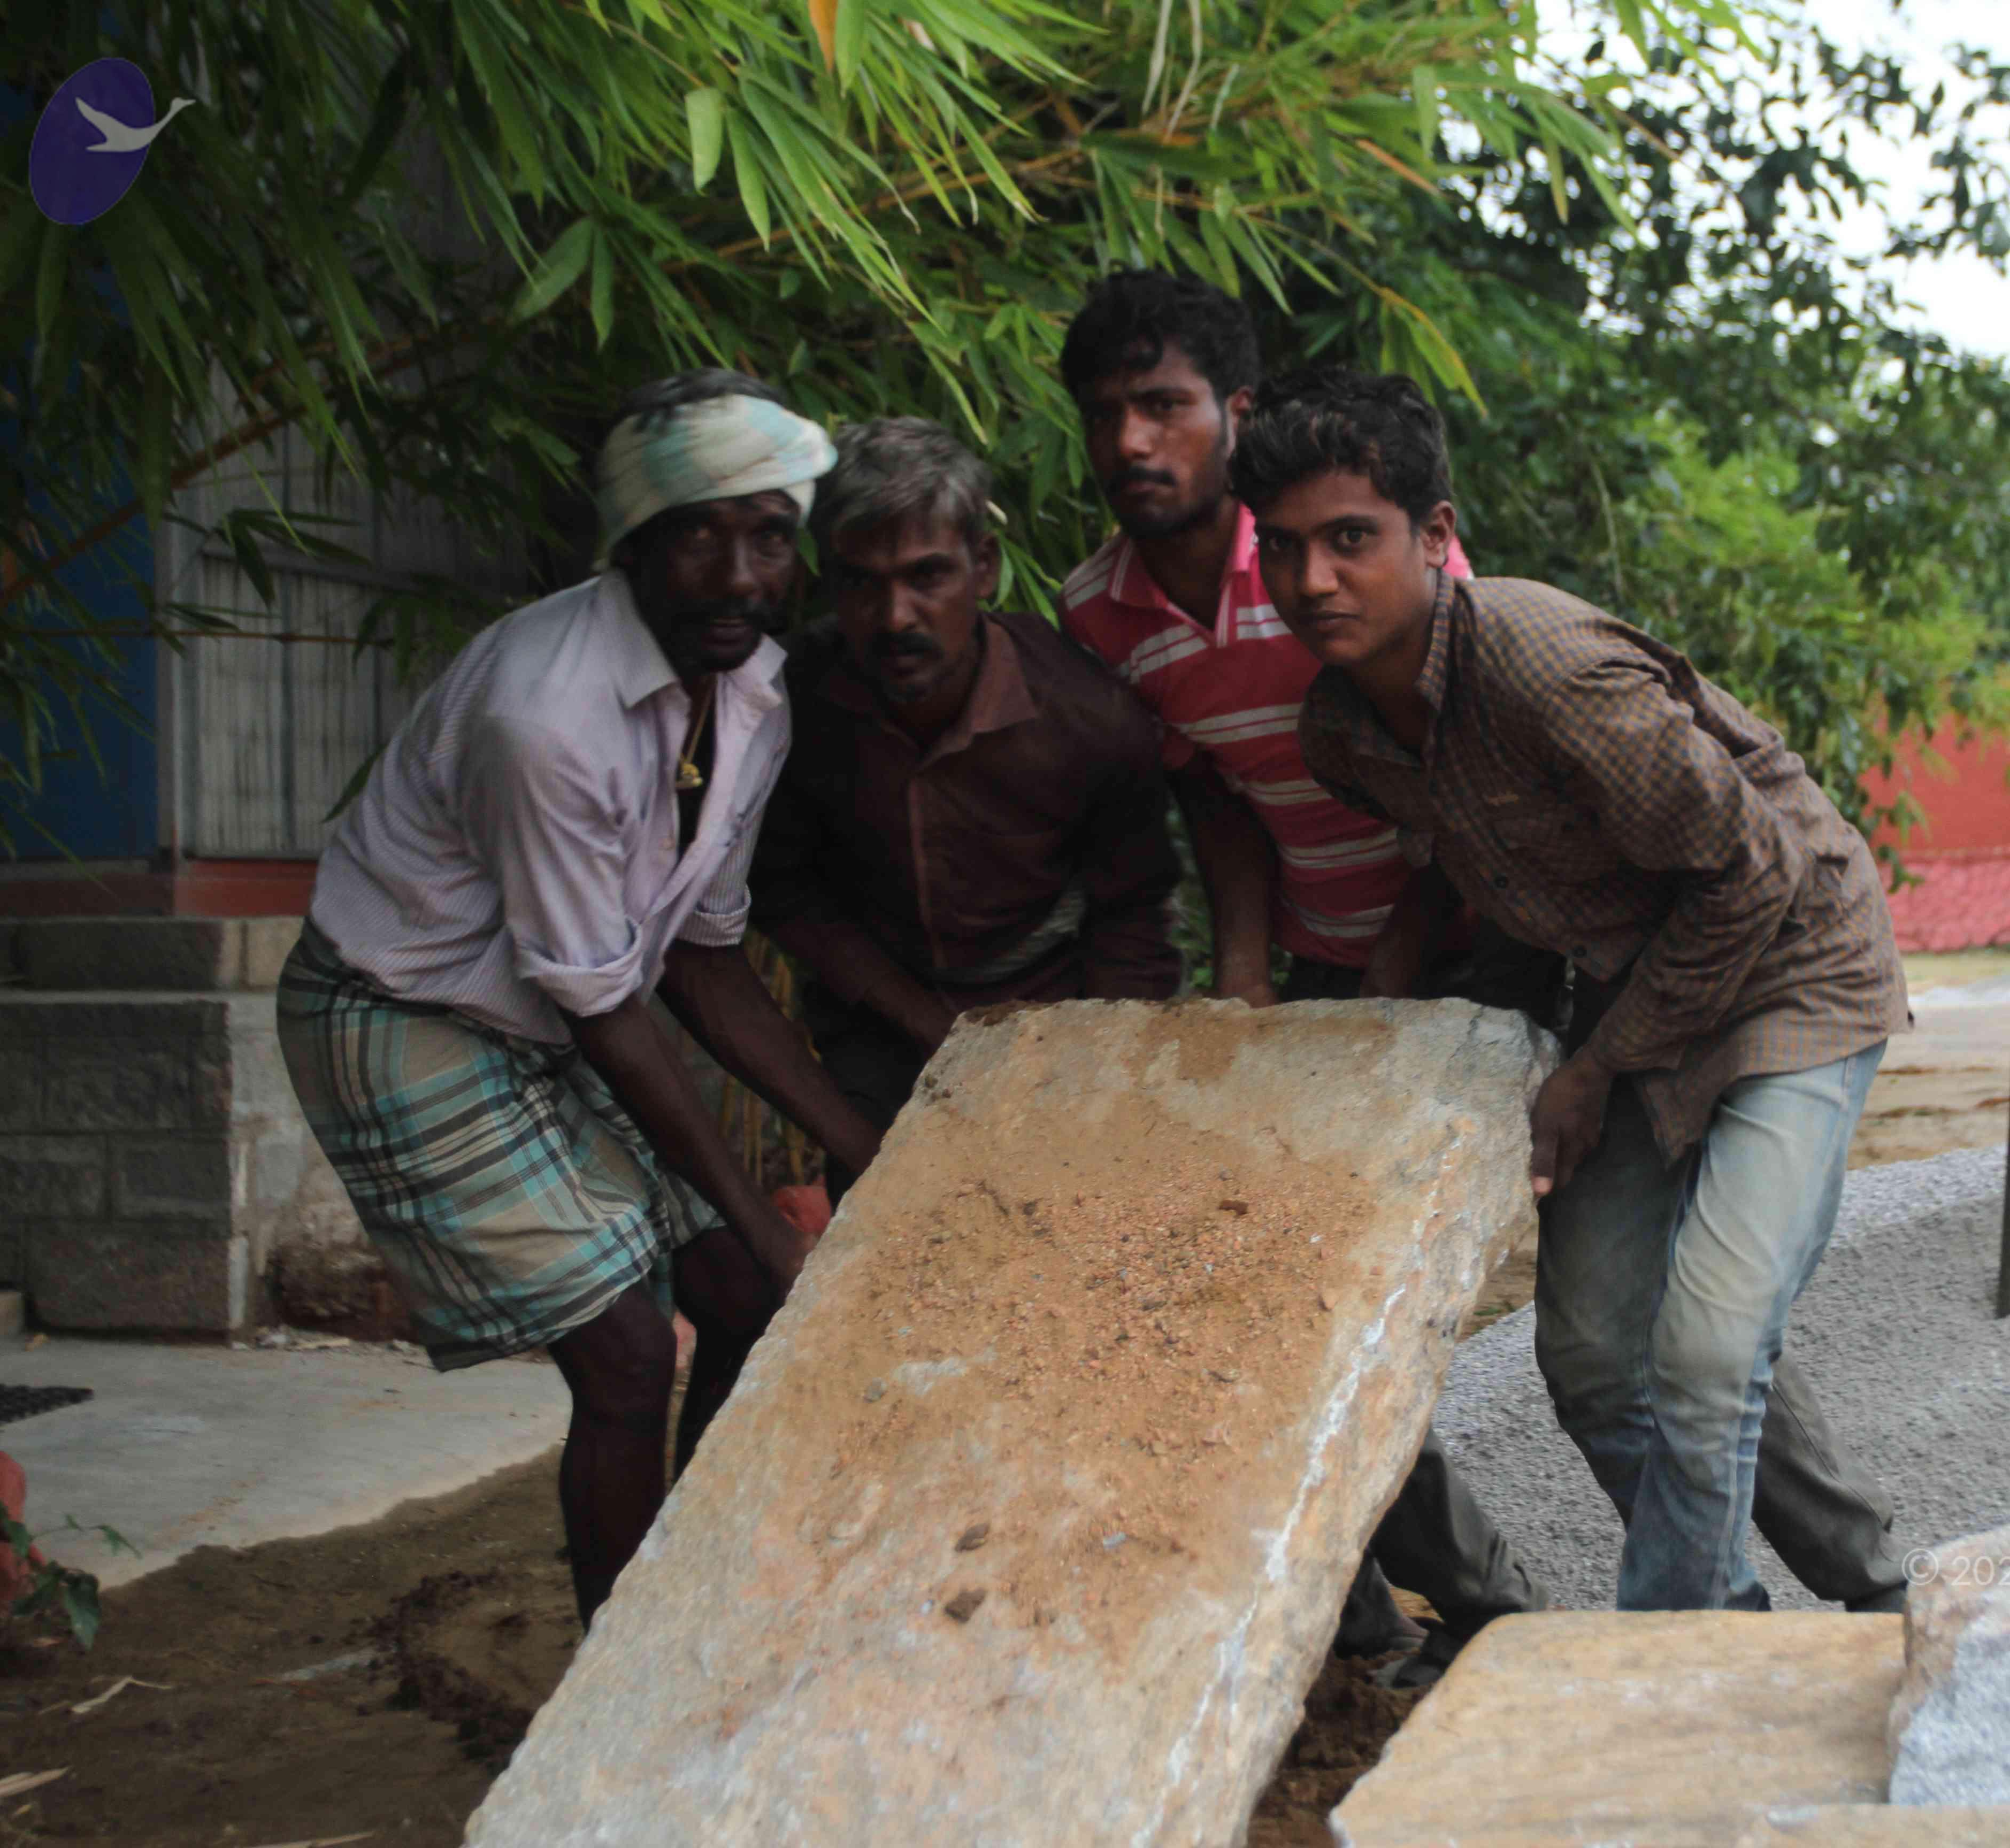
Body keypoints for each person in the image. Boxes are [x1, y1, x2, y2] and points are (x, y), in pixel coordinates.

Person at [1239, 368, 1912, 1614]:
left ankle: (1691, 1649)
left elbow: (1754, 874)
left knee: (1708, 1350)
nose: (1313, 580)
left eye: (1351, 540)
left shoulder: (1545, 667)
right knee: (1600, 1363)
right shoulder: (1344, 734)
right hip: (1632, 982)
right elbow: (1492, 889)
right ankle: (1762, 1619)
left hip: (1792, 965)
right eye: (1282, 548)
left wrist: (1590, 1074)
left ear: (1435, 536)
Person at [277, 369, 886, 1626]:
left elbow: (703, 960)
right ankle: (623, 1669)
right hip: (396, 1013)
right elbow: (609, 1007)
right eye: (697, 537)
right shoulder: (545, 714)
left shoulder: (752, 694)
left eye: (770, 537)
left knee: (741, 1296)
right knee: (626, 1355)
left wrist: (868, 1146)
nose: (738, 576)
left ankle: (693, 1598)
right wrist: (768, 1223)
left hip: (544, 1012)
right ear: (633, 545)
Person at [1055, 271, 1550, 1678]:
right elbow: (1209, 790)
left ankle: (1518, 1618)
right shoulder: (1098, 609)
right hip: (1324, 968)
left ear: (1237, 410)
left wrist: (1398, 955)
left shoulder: (1343, 549)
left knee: (1422, 1308)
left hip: (1478, 949)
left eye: (1165, 405)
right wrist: (1249, 976)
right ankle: (1381, 1627)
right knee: (1293, 1305)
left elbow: (1467, 752)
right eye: (1106, 413)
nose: (1134, 442)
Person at [752, 418, 1183, 1156]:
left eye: (927, 577)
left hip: (1054, 1006)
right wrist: (923, 1024)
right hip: (879, 1016)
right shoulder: (789, 708)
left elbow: (1134, 914)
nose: (895, 618)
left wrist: (1102, 1065)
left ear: (982, 567)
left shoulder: (1087, 714)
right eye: (861, 582)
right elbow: (786, 893)